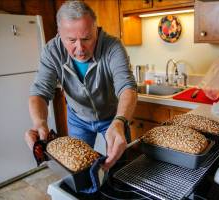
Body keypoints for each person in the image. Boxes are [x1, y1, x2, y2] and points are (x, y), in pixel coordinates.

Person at [24, 0, 137, 170]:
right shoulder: (51, 51)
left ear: (95, 29)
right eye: (71, 40)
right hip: (78, 119)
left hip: (113, 117)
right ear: (59, 34)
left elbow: (127, 87)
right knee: (79, 169)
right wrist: (39, 122)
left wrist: (120, 120)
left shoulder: (113, 46)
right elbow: (39, 92)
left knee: (120, 166)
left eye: (86, 38)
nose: (80, 48)